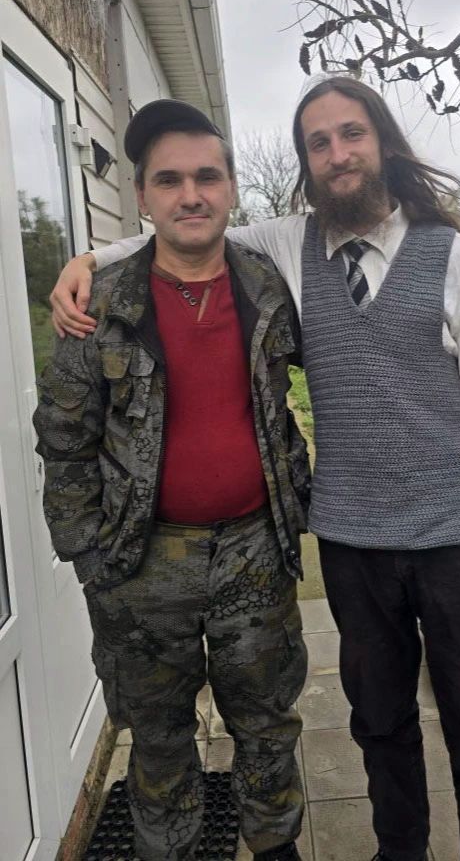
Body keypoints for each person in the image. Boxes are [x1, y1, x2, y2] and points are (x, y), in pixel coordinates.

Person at [49, 78, 460, 861]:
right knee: (379, 727)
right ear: (305, 162)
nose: (338, 154)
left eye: (352, 134)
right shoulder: (288, 248)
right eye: (319, 143)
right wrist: (82, 260)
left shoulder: (451, 258)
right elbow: (186, 233)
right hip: (351, 543)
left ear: (382, 141)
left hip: (455, 538)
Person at [34, 101, 311, 861]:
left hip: (256, 550)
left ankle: (277, 846)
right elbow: (64, 439)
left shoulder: (272, 287)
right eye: (169, 180)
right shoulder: (101, 303)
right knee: (156, 736)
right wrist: (90, 558)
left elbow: (364, 341)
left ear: (230, 188)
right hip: (140, 562)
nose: (191, 195)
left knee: (267, 723)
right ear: (142, 196)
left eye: (207, 177)